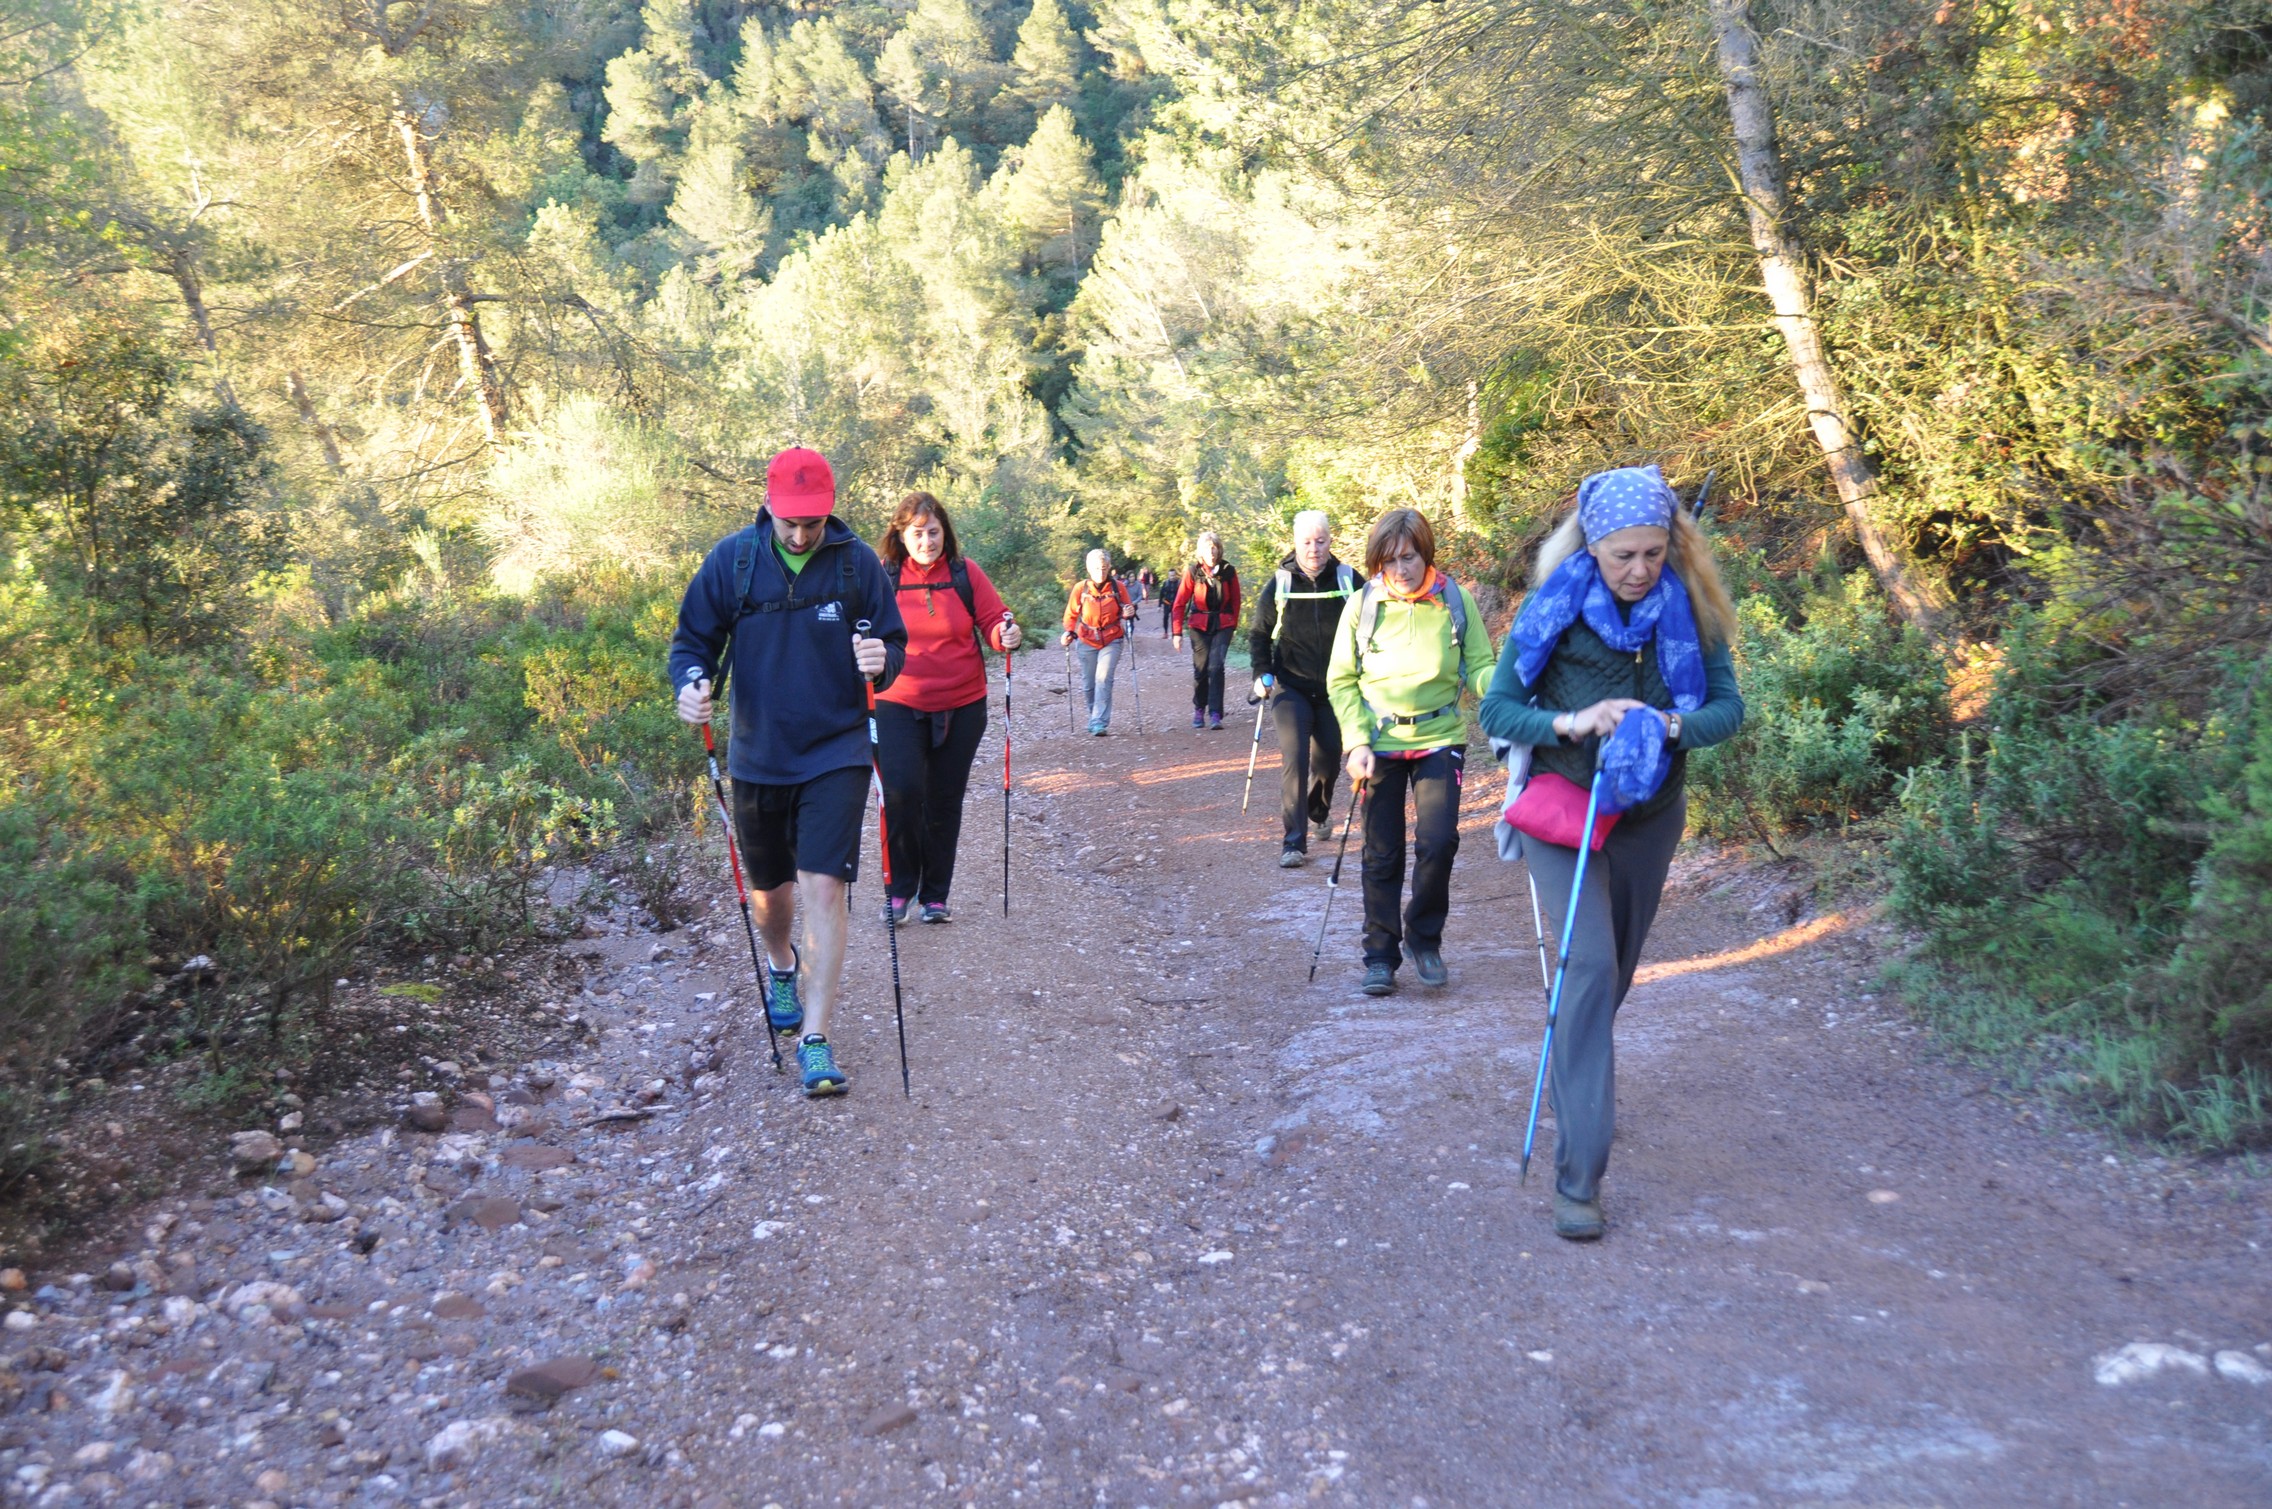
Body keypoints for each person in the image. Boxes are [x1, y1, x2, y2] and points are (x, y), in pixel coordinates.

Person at [1479, 464, 1744, 1243]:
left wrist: (1667, 726)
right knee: (1588, 967)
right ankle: (1579, 1177)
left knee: (1610, 978)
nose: (1639, 570)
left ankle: (1578, 1073)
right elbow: (1498, 709)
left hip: (1648, 816)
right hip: (1563, 809)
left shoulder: (1691, 609)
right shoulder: (1555, 608)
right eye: (1623, 554)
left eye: (1654, 553)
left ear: (1673, 545)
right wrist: (1575, 720)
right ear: (1591, 546)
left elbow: (1727, 709)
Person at [669, 447, 908, 1098]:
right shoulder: (733, 561)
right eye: (791, 523)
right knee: (771, 894)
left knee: (824, 885)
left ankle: (816, 1038)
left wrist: (881, 659)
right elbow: (692, 643)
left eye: (813, 523)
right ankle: (783, 963)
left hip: (837, 749)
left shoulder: (857, 563)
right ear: (768, 507)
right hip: (758, 753)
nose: (802, 536)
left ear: (830, 511)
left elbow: (894, 643)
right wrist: (690, 684)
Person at [1327, 508, 1496, 997]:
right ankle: (1380, 955)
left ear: (1426, 554)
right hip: (1378, 743)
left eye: (1409, 557)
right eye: (1389, 560)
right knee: (1382, 852)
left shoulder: (1455, 600)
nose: (1400, 569)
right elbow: (1341, 680)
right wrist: (1356, 740)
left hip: (1440, 736)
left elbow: (1479, 666)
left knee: (1438, 842)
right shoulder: (1362, 606)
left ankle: (1425, 938)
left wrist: (1505, 685)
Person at [875, 491, 1021, 925]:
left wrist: (1005, 635)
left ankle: (934, 896)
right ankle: (900, 889)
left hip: (963, 705)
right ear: (901, 535)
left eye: (934, 532)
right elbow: (860, 627)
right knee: (901, 794)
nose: (927, 542)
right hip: (896, 702)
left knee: (944, 799)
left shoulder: (964, 573)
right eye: (917, 533)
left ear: (945, 533)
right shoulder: (882, 576)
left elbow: (993, 620)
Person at [1249, 510, 1361, 868]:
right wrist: (1261, 673)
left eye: (1321, 541)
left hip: (1335, 688)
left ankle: (1318, 810)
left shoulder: (1348, 580)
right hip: (1290, 686)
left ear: (1331, 540)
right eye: (1307, 542)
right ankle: (1293, 843)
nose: (1314, 549)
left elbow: (1374, 624)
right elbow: (1259, 633)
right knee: (1294, 757)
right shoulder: (1281, 583)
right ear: (1296, 543)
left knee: (1327, 760)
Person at [1172, 531, 1242, 729]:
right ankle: (1199, 708)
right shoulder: (1193, 572)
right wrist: (1177, 633)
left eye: (1214, 548)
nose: (1212, 552)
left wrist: (1233, 625)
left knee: (1216, 666)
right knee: (1201, 668)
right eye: (1208, 549)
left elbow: (1236, 601)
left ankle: (1216, 713)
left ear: (1219, 550)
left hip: (1223, 623)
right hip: (1199, 624)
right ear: (1200, 552)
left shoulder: (1228, 571)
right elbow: (1179, 603)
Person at [1061, 548, 1133, 735]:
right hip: (1087, 639)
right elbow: (1071, 614)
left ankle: (1099, 721)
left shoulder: (1118, 587)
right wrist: (1069, 631)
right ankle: (1095, 715)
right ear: (1088, 568)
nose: (1101, 572)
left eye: (1104, 568)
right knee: (1089, 684)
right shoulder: (1081, 588)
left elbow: (1127, 609)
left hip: (1112, 639)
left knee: (1103, 678)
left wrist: (1128, 612)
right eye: (1097, 568)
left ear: (1109, 567)